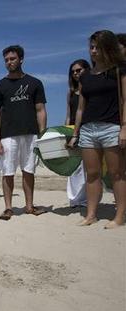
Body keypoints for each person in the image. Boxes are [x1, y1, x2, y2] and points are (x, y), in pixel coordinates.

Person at [67, 30, 126, 229]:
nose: (92, 51)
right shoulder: (86, 76)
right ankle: (91, 214)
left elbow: (125, 100)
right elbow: (81, 107)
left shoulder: (119, 70)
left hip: (111, 126)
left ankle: (119, 216)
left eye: (97, 47)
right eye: (91, 47)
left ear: (106, 48)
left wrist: (124, 128)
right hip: (88, 130)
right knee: (91, 174)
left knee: (117, 173)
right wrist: (75, 133)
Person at [0, 45, 48, 221]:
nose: (9, 62)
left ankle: (29, 206)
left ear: (21, 59)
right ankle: (8, 208)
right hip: (8, 135)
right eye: (6, 60)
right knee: (7, 172)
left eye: (12, 59)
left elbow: (40, 110)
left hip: (31, 134)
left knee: (28, 171)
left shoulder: (35, 83)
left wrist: (43, 134)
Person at [65, 59, 91, 208]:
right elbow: (69, 114)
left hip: (89, 127)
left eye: (79, 70)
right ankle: (75, 199)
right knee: (74, 167)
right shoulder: (71, 93)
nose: (76, 73)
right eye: (73, 71)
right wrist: (66, 131)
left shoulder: (91, 89)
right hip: (73, 130)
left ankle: (87, 198)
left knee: (89, 167)